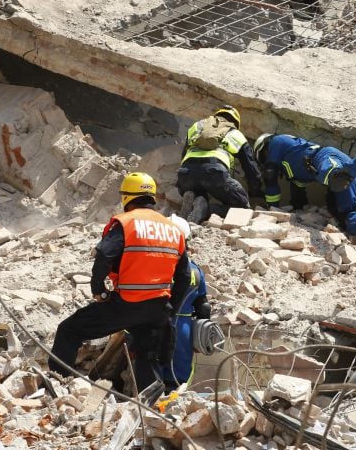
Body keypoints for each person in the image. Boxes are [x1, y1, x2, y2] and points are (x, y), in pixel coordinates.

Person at [49, 172, 190, 390]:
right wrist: (171, 308)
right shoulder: (174, 230)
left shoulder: (126, 223)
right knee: (147, 354)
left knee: (69, 330)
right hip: (157, 308)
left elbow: (105, 255)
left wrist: (98, 289)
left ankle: (55, 387)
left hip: (125, 304)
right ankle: (149, 406)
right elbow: (184, 276)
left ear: (127, 197)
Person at [253, 133, 356, 247]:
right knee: (343, 216)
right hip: (338, 178)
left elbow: (270, 173)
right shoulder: (294, 173)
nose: (267, 161)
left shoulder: (276, 141)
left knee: (337, 178)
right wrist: (298, 209)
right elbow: (298, 192)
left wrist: (272, 209)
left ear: (263, 149)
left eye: (264, 158)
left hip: (323, 158)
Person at [177, 105, 263, 224]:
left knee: (199, 189)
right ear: (235, 122)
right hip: (214, 173)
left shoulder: (197, 126)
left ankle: (193, 198)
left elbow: (184, 155)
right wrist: (256, 191)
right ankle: (206, 210)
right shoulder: (236, 134)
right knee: (241, 206)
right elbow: (251, 168)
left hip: (186, 173)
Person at [161, 215, 211, 390]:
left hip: (156, 324)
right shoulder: (195, 270)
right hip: (184, 329)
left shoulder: (155, 265)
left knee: (152, 373)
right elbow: (203, 306)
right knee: (179, 380)